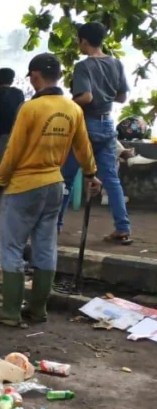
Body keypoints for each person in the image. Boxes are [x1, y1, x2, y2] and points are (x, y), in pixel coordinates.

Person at [0, 53, 99, 327]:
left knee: (11, 247)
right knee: (46, 247)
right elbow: (83, 147)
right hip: (55, 185)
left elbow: (14, 150)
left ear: (35, 76)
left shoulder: (30, 108)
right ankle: (37, 310)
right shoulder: (73, 109)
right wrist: (92, 174)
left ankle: (10, 312)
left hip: (24, 185)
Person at [55, 22, 132, 243]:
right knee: (111, 179)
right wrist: (105, 96)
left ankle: (56, 225)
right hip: (107, 124)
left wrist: (66, 104)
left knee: (66, 178)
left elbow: (86, 97)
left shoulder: (84, 66)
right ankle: (123, 227)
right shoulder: (116, 63)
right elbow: (122, 97)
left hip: (85, 126)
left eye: (78, 41)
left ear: (83, 41)